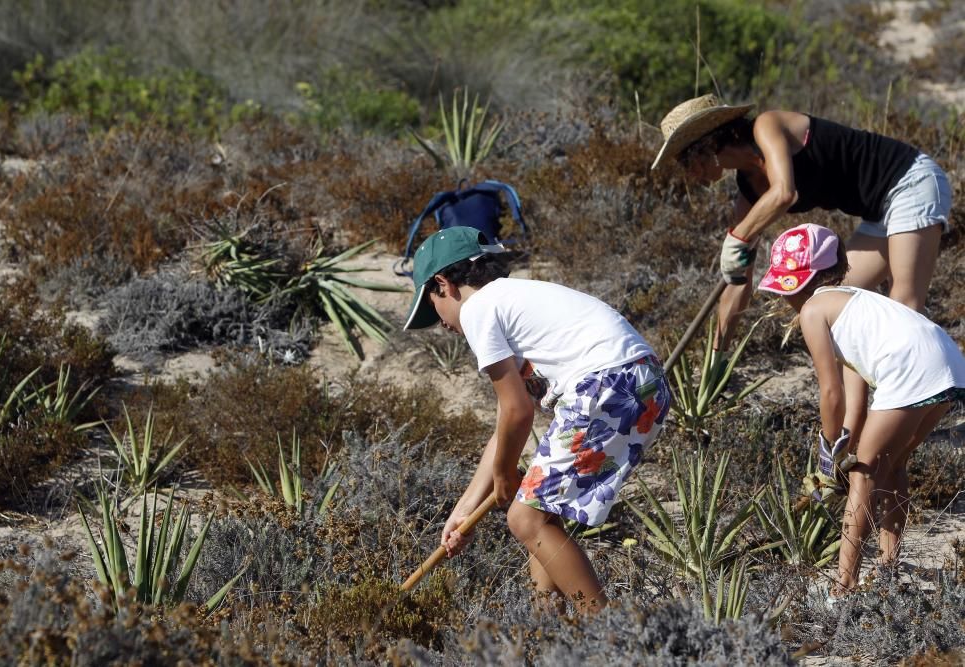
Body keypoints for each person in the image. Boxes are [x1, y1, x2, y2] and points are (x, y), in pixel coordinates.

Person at [651, 94, 952, 455]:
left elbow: (784, 192)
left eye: (686, 160)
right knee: (843, 305)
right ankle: (852, 427)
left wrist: (738, 236)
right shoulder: (748, 188)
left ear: (709, 144)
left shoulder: (768, 126)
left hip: (910, 181)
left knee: (904, 302)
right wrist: (718, 355)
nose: (689, 173)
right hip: (878, 211)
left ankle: (903, 409)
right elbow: (737, 283)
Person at [403, 226, 671, 614]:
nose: (442, 324)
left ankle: (615, 639)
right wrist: (464, 510)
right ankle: (545, 628)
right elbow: (505, 422)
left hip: (604, 385)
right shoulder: (517, 299)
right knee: (539, 513)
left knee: (525, 519)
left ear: (444, 283)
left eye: (433, 308)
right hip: (642, 384)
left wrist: (504, 473)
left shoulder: (479, 309)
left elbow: (519, 412)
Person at [756, 222, 965, 597]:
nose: (784, 298)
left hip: (910, 370)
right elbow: (855, 405)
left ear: (803, 282)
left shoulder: (814, 310)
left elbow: (831, 393)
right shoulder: (856, 305)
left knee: (864, 475)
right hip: (949, 365)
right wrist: (843, 450)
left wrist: (827, 449)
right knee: (892, 464)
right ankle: (888, 566)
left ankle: (843, 586)